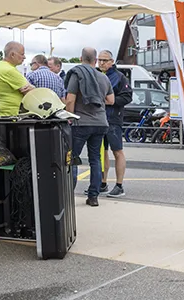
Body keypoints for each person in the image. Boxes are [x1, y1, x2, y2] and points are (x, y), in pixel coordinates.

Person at [65, 47, 114, 207]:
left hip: (81, 122)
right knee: (95, 159)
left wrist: (69, 118)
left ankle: (68, 195)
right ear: (95, 61)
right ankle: (93, 197)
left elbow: (70, 99)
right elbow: (111, 100)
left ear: (81, 58)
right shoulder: (103, 77)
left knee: (72, 159)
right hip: (100, 123)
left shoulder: (77, 74)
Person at [95, 50, 132, 197]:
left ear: (112, 61)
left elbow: (128, 96)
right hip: (98, 118)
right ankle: (102, 183)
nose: (102, 63)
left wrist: (111, 102)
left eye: (105, 60)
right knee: (102, 152)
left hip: (113, 119)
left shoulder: (119, 77)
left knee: (117, 151)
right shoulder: (97, 75)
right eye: (99, 60)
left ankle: (119, 185)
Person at [0, 41, 34, 116]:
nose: (24, 57)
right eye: (22, 54)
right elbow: (31, 94)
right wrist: (33, 88)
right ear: (12, 54)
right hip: (14, 116)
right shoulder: (9, 70)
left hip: (4, 113)